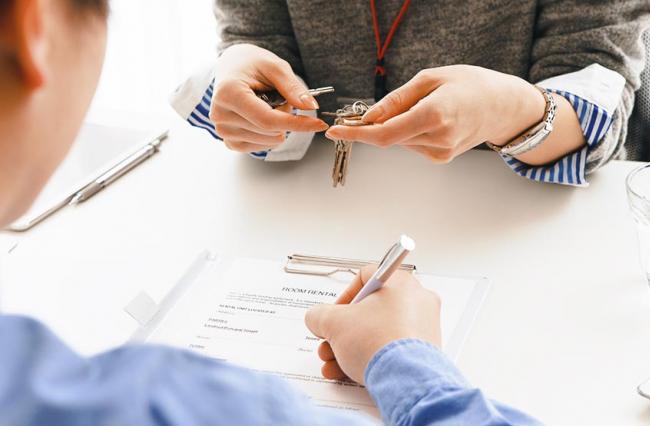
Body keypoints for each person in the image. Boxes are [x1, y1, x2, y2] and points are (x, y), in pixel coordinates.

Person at [0, 1, 540, 424]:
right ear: (35, 29)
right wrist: (403, 361)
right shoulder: (175, 404)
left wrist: (521, 109)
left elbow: (596, 70)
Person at [172, 0, 650, 186]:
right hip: (315, 215)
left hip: (503, 219)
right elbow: (255, 43)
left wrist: (508, 109)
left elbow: (595, 99)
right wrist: (242, 82)